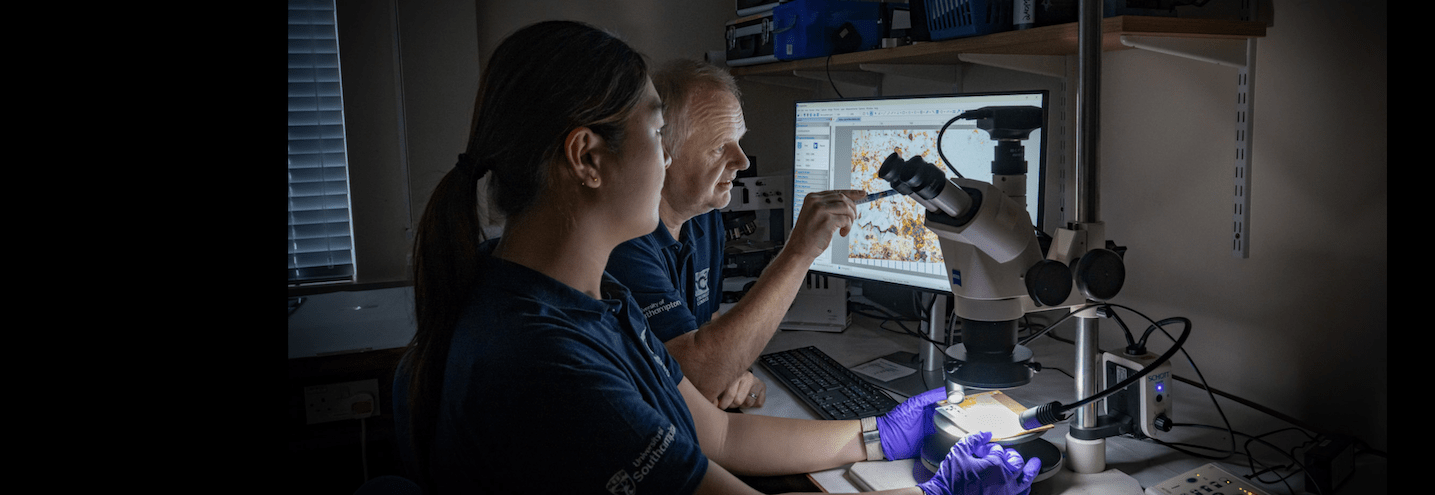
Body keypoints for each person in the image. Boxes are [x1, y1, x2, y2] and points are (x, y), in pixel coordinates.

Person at [394, 19, 1040, 495]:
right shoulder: (545, 364)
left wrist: (879, 433)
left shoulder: (590, 299)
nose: (667, 158)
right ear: (588, 158)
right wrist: (938, 491)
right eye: (657, 134)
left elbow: (718, 435)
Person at [605, 59, 865, 410]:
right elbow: (695, 376)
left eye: (739, 141)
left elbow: (707, 327)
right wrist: (799, 252)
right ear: (664, 153)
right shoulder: (624, 241)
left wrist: (734, 369)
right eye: (719, 147)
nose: (743, 161)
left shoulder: (704, 219)